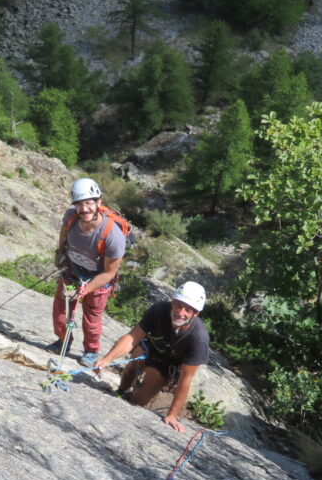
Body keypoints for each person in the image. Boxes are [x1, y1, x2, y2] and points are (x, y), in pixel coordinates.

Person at [94, 281, 210, 433]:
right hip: (149, 348)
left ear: (196, 313)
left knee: (137, 402)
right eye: (178, 305)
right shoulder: (159, 310)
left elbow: (185, 380)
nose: (181, 312)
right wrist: (107, 359)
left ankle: (134, 395)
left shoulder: (198, 338)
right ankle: (122, 391)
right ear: (172, 303)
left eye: (188, 309)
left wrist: (172, 414)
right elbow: (132, 337)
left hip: (167, 365)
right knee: (130, 370)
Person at [52, 178, 127, 367]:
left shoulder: (112, 236)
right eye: (79, 204)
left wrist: (86, 289)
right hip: (72, 272)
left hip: (98, 279)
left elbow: (109, 272)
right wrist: (60, 252)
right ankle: (63, 340)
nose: (84, 209)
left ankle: (91, 351)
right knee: (61, 310)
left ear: (98, 202)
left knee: (92, 318)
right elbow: (63, 232)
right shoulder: (71, 216)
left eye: (88, 203)